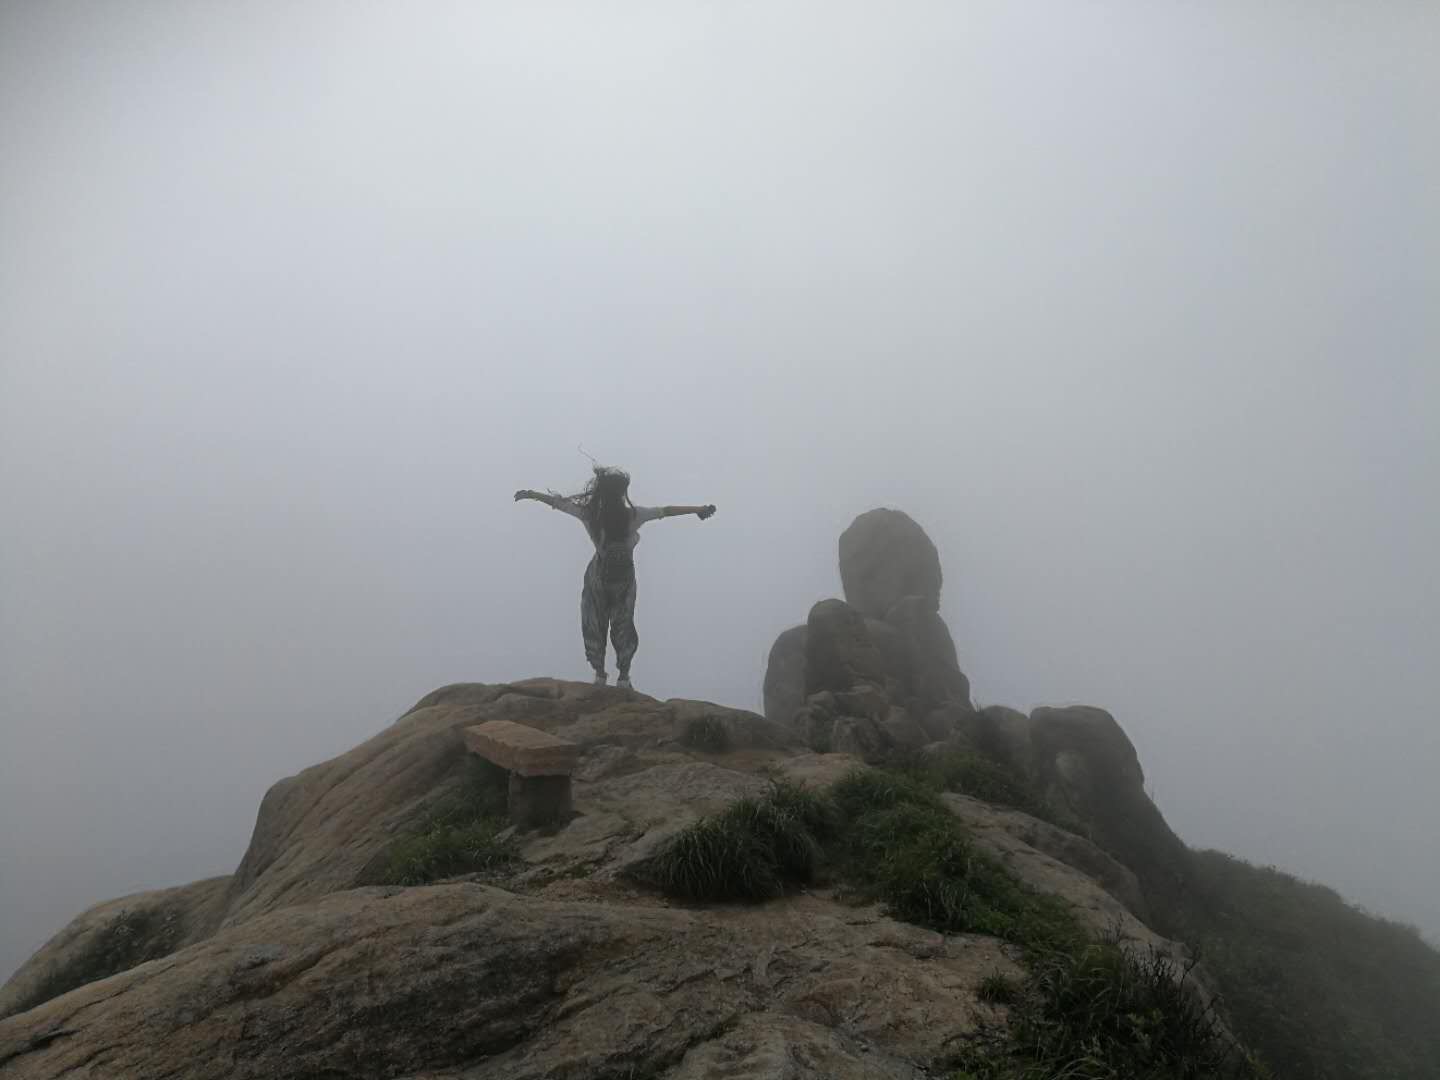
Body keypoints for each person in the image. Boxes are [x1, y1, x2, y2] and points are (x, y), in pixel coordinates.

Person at [514, 467, 716, 689]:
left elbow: (559, 504)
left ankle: (601, 674)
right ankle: (623, 677)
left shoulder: (591, 515)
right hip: (622, 580)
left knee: (594, 622)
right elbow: (665, 511)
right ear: (621, 494)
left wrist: (532, 495)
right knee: (623, 624)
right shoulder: (632, 515)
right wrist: (698, 509)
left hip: (599, 577)